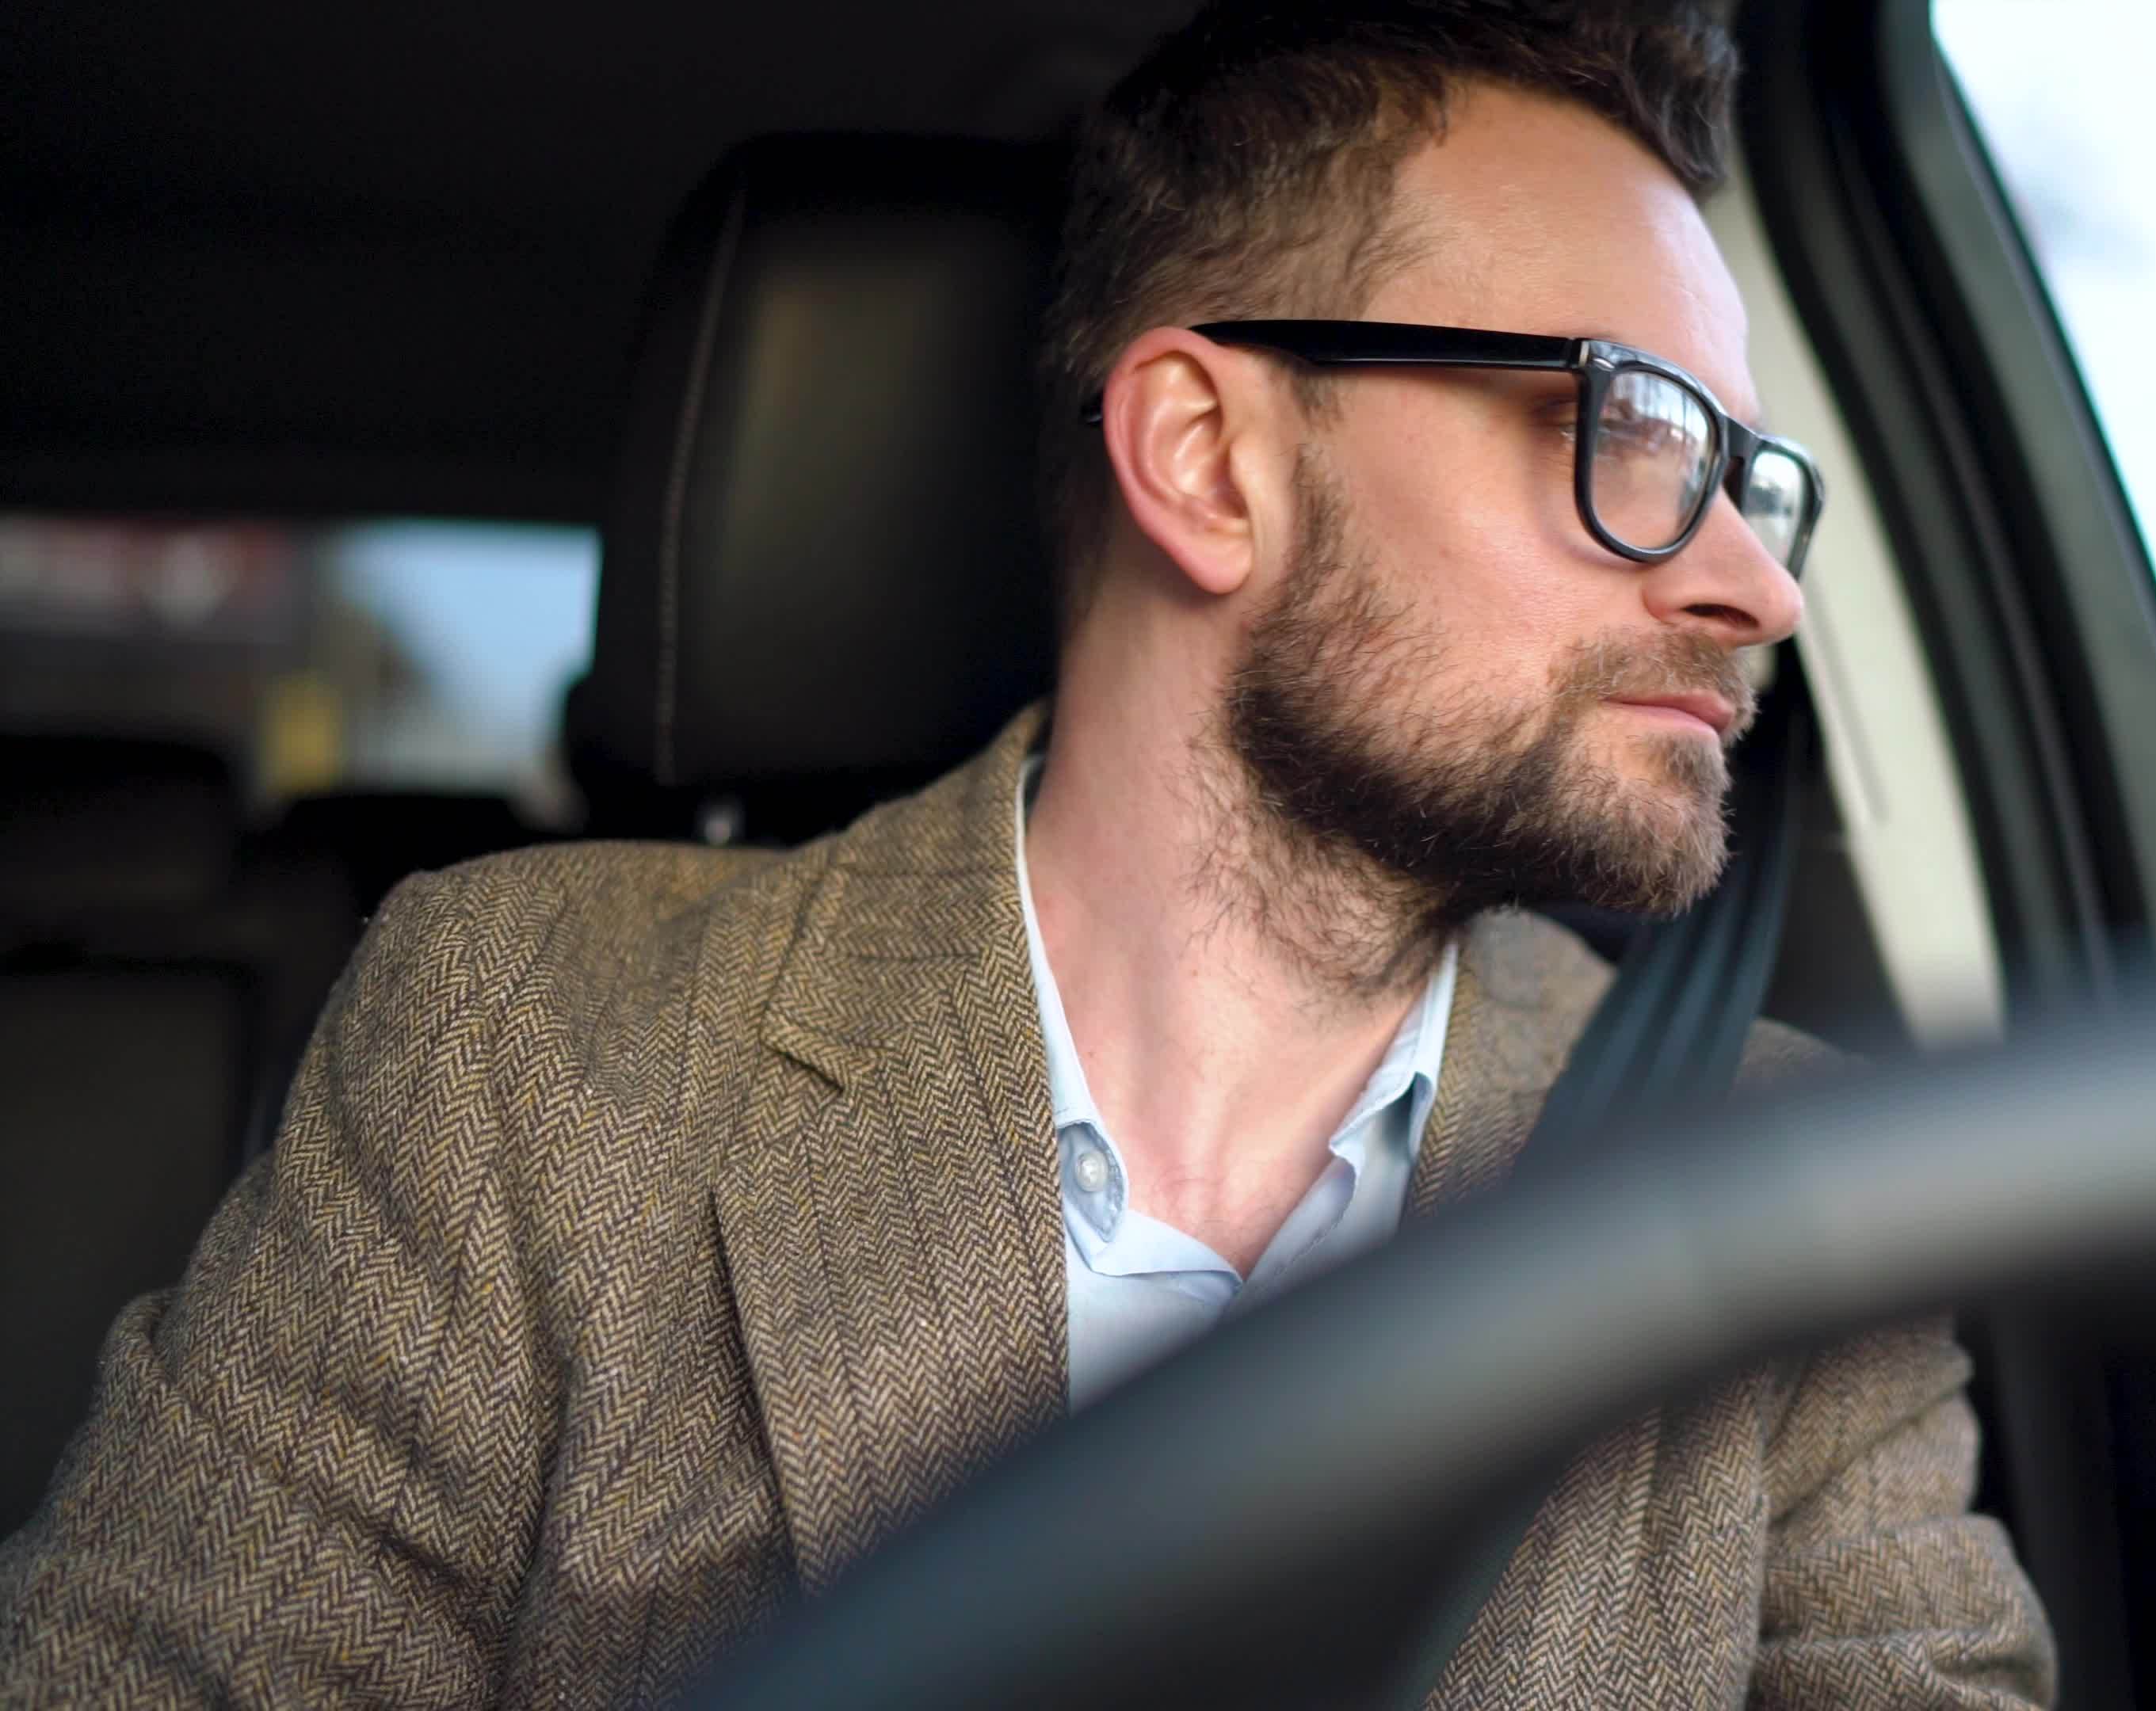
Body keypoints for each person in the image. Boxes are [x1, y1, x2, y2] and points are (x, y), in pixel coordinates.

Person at [0, 1, 2051, 1702]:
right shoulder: (522, 1047)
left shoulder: (1795, 1204)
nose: (1755, 590)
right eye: (1632, 435)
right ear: (1203, 458)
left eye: (1747, 479)